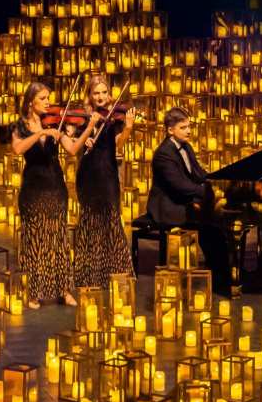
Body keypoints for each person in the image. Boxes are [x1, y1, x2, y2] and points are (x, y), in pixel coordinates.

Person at [10, 81, 84, 308]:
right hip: (33, 188)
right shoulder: (20, 125)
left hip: (55, 186)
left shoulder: (55, 123)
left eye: (48, 98)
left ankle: (64, 290)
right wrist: (41, 132)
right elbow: (17, 149)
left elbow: (71, 150)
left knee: (59, 240)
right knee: (35, 241)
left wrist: (87, 128)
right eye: (43, 98)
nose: (48, 102)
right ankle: (35, 292)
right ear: (30, 102)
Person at [146, 107, 231, 292]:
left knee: (215, 223)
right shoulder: (164, 154)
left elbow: (198, 174)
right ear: (170, 130)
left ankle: (222, 273)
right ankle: (219, 278)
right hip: (168, 205)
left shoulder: (186, 147)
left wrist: (215, 184)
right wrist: (204, 192)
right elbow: (179, 186)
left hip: (182, 199)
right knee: (206, 225)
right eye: (183, 127)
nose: (189, 131)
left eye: (189, 126)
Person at [63, 75, 135, 288]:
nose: (101, 96)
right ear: (89, 95)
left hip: (108, 173)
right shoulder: (82, 117)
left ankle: (114, 274)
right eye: (96, 93)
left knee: (111, 220)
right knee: (89, 221)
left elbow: (118, 144)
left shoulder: (114, 117)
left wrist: (129, 128)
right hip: (88, 175)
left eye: (104, 92)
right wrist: (87, 136)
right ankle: (87, 274)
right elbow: (73, 146)